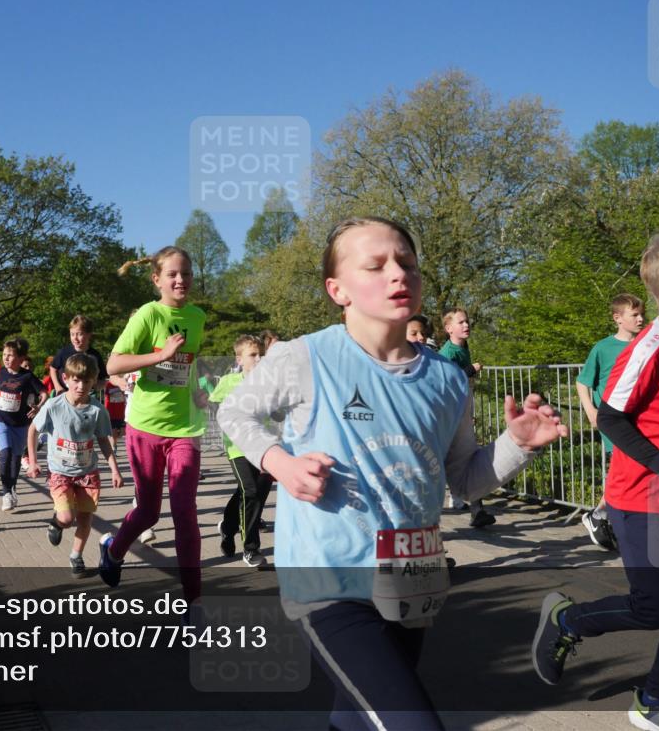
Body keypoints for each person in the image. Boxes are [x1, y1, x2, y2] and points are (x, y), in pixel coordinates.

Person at [218, 217, 567, 731]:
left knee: (358, 717)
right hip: (328, 581)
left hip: (411, 578)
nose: (397, 274)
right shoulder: (303, 357)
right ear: (337, 290)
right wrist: (282, 464)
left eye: (406, 263)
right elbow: (235, 414)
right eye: (375, 266)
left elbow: (464, 481)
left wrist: (516, 445)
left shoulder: (448, 380)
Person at [532, 233, 659, 731]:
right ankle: (566, 622)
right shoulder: (647, 349)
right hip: (642, 499)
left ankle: (655, 701)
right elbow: (611, 419)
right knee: (655, 608)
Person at [98, 247, 209, 602]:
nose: (181, 280)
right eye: (173, 274)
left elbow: (187, 366)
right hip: (145, 426)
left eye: (187, 273)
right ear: (157, 279)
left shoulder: (197, 317)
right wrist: (159, 355)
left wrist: (197, 393)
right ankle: (114, 550)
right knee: (148, 511)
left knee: (185, 512)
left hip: (185, 429)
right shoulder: (148, 314)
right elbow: (114, 365)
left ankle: (193, 603)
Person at [26, 353, 122, 576]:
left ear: (93, 382)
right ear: (66, 378)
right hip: (60, 472)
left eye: (86, 382)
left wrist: (114, 469)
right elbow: (33, 430)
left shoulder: (98, 410)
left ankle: (76, 556)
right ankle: (57, 523)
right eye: (76, 380)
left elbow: (103, 441)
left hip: (88, 473)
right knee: (68, 518)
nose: (81, 386)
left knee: (85, 519)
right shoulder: (54, 406)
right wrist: (33, 462)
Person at [575, 293, 645, 551]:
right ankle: (604, 517)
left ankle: (601, 515)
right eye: (634, 315)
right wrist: (591, 411)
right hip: (614, 420)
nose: (640, 318)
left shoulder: (647, 343)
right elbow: (583, 382)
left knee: (631, 473)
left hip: (640, 419)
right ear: (618, 318)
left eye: (641, 313)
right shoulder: (603, 348)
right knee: (623, 472)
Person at [211, 334, 272, 568]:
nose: (258, 359)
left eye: (261, 354)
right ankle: (251, 549)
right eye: (253, 355)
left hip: (264, 445)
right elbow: (216, 408)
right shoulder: (228, 382)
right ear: (239, 359)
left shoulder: (269, 381)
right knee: (250, 491)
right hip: (237, 447)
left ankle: (227, 527)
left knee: (249, 493)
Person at [439, 307, 495, 528]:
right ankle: (464, 501)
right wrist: (470, 369)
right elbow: (447, 381)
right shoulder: (448, 352)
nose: (466, 325)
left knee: (466, 456)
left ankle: (474, 508)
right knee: (456, 456)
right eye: (461, 322)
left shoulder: (463, 348)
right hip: (450, 414)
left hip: (462, 411)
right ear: (448, 328)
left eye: (467, 321)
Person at [0, 337, 46, 511]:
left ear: (21, 358)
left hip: (21, 424)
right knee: (5, 453)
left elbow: (44, 393)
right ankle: (6, 492)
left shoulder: (27, 376)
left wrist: (38, 407)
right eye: (4, 355)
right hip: (1, 421)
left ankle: (12, 488)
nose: (6, 358)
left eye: (10, 355)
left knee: (16, 458)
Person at [48, 315, 109, 395]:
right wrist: (58, 386)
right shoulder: (64, 352)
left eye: (79, 334)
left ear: (89, 335)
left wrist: (93, 386)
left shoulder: (95, 356)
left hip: (86, 396)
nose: (75, 338)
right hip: (64, 394)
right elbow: (53, 369)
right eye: (72, 334)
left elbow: (102, 379)